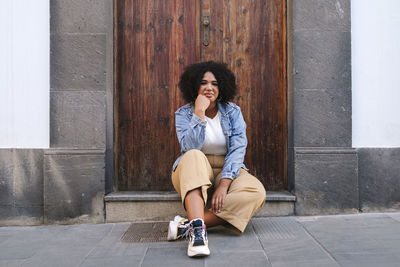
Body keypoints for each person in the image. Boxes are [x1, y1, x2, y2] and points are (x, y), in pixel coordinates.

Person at [168, 61, 266, 257]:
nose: (209, 88)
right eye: (203, 83)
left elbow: (238, 149)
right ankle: (197, 237)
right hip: (193, 168)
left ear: (221, 88)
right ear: (195, 86)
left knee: (256, 192)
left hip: (226, 167)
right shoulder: (183, 114)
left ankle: (190, 225)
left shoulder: (233, 112)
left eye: (214, 83)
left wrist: (224, 184)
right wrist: (199, 113)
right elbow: (189, 148)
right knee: (194, 155)